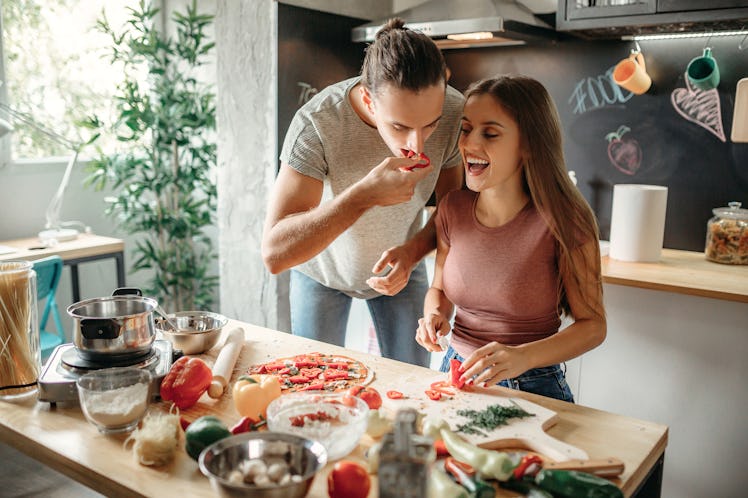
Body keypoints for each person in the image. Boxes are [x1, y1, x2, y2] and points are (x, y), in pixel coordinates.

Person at [262, 18, 464, 367]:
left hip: (404, 265)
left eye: (429, 124)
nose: (417, 144)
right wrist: (364, 195)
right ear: (369, 100)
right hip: (320, 274)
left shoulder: (454, 112)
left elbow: (451, 214)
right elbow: (275, 254)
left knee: (411, 385)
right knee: (316, 388)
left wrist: (412, 253)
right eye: (399, 126)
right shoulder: (318, 124)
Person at [415, 75, 606, 401]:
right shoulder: (452, 208)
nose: (470, 144)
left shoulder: (564, 220)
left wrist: (522, 357)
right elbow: (439, 289)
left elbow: (593, 326)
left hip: (532, 386)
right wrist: (434, 315)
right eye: (465, 129)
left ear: (529, 145)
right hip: (454, 373)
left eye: (490, 133)